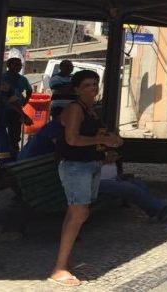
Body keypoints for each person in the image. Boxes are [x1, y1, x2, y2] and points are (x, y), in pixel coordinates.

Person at [49, 70, 123, 287]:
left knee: (78, 214)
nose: (93, 88)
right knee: (77, 214)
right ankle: (59, 268)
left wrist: (108, 143)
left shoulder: (92, 110)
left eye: (95, 84)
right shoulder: (75, 109)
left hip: (89, 165)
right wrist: (101, 141)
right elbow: (72, 139)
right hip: (76, 166)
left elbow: (94, 137)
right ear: (77, 89)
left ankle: (66, 258)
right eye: (88, 85)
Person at [99, 150, 167, 222]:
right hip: (98, 182)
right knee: (129, 188)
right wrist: (104, 160)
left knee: (138, 183)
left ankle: (158, 209)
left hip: (114, 177)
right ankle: (161, 207)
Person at [0, 57, 33, 155]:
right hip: (3, 109)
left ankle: (14, 154)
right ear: (9, 66)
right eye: (16, 65)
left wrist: (25, 102)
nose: (19, 67)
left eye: (20, 65)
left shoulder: (22, 79)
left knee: (15, 134)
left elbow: (29, 90)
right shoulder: (2, 77)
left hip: (16, 110)